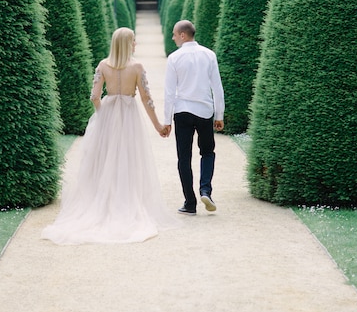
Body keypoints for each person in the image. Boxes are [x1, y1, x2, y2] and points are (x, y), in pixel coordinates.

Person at [41, 27, 178, 244]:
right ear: (127, 44)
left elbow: (95, 96)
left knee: (104, 159)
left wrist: (102, 115)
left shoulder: (103, 65)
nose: (135, 44)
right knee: (129, 158)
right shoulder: (137, 67)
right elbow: (146, 99)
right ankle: (126, 200)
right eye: (133, 41)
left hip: (108, 113)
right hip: (129, 115)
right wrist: (158, 126)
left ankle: (103, 199)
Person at [162, 20, 225, 215]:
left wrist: (166, 121)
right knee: (207, 152)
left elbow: (169, 93)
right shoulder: (209, 55)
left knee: (184, 158)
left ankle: (190, 203)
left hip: (182, 112)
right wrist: (219, 114)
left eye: (174, 34)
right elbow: (217, 87)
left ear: (183, 35)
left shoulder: (174, 58)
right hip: (205, 111)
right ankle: (205, 189)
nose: (172, 38)